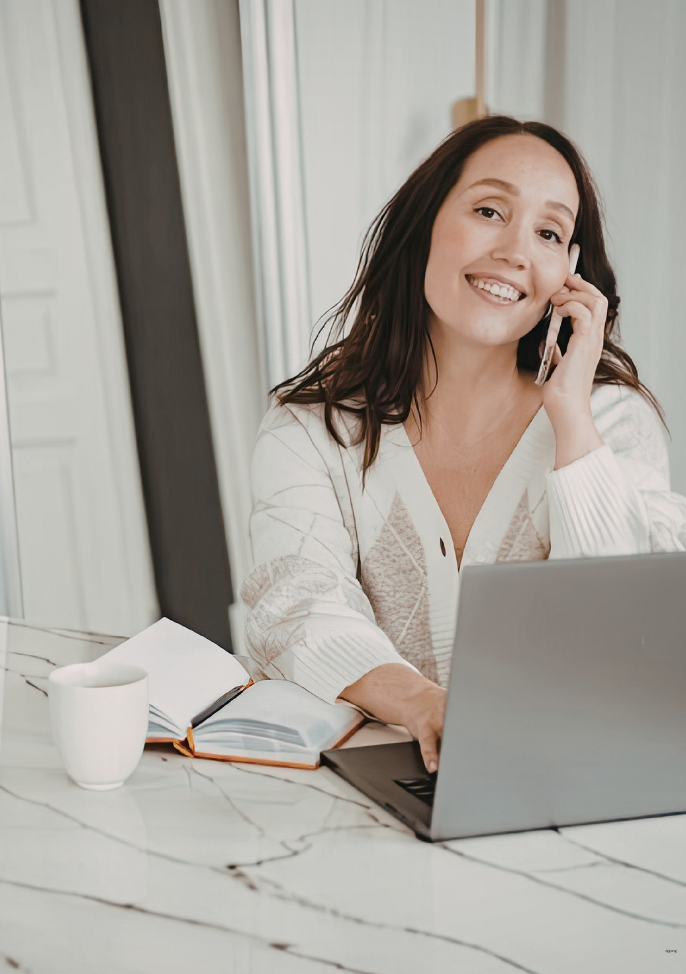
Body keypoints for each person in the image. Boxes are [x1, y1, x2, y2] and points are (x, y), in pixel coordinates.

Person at [241, 115, 686, 776]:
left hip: (567, 788)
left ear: (568, 274)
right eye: (488, 209)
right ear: (422, 226)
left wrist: (571, 421)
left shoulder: (612, 426)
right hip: (363, 799)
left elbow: (627, 641)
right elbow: (295, 607)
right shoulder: (312, 428)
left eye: (549, 233)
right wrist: (423, 704)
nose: (515, 250)